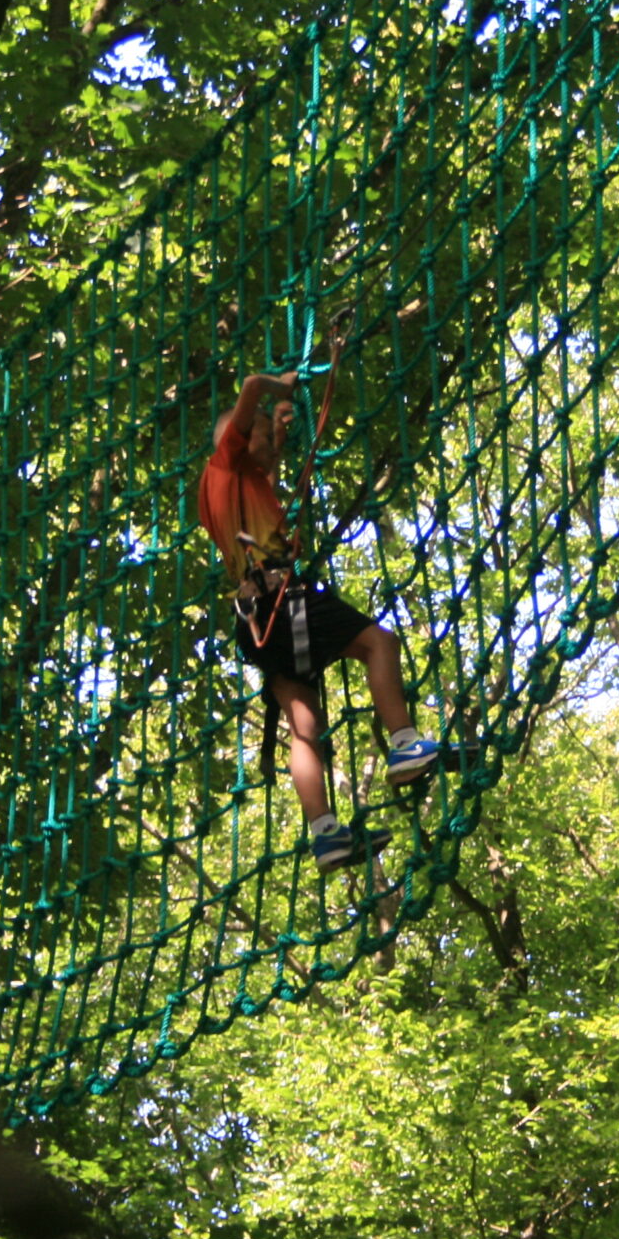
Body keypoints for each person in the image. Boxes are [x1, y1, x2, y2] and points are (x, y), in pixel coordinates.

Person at [196, 354, 445, 869]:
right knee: (381, 643)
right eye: (262, 437)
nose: (269, 446)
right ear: (242, 439)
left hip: (255, 622)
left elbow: (264, 465)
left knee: (304, 723)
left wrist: (281, 430)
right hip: (281, 602)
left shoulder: (231, 487)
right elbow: (248, 389)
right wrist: (274, 386)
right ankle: (403, 744)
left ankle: (326, 835)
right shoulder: (224, 462)